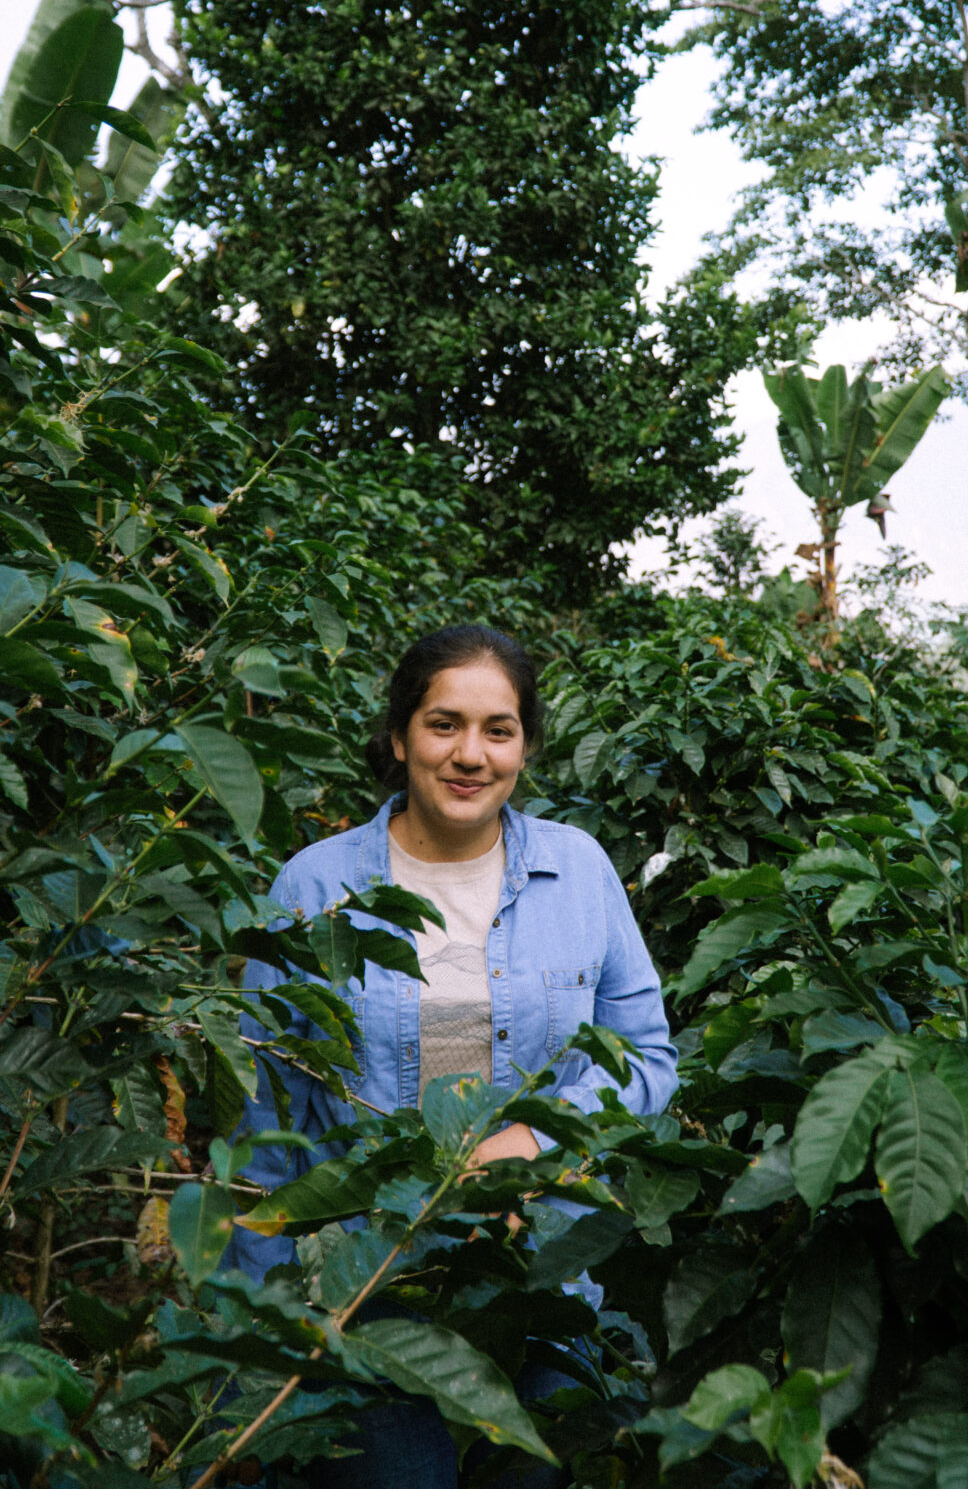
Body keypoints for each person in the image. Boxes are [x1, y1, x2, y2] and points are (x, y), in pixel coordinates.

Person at [230, 623, 678, 1485]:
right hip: (368, 1283)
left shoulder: (580, 872)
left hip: (543, 1273)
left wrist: (531, 1141)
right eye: (444, 725)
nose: (471, 754)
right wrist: (266, 1340)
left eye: (497, 730)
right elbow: (267, 1122)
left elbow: (647, 1059)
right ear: (400, 737)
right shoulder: (315, 887)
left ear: (525, 747)